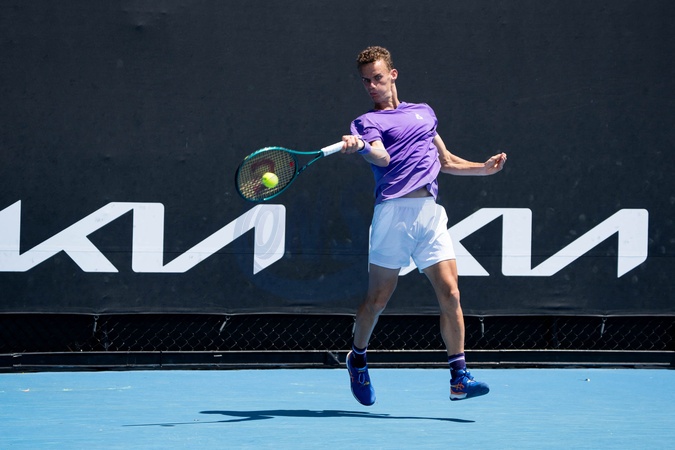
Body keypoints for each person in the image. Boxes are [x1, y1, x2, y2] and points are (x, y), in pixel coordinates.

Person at [339, 46, 507, 406]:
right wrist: (362, 147)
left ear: (393, 75)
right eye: (366, 81)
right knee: (377, 301)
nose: (372, 85)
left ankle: (459, 377)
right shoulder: (367, 122)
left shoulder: (424, 113)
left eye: (377, 78)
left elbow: (445, 160)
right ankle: (358, 358)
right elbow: (381, 156)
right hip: (392, 215)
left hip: (430, 214)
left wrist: (483, 169)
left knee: (451, 293)